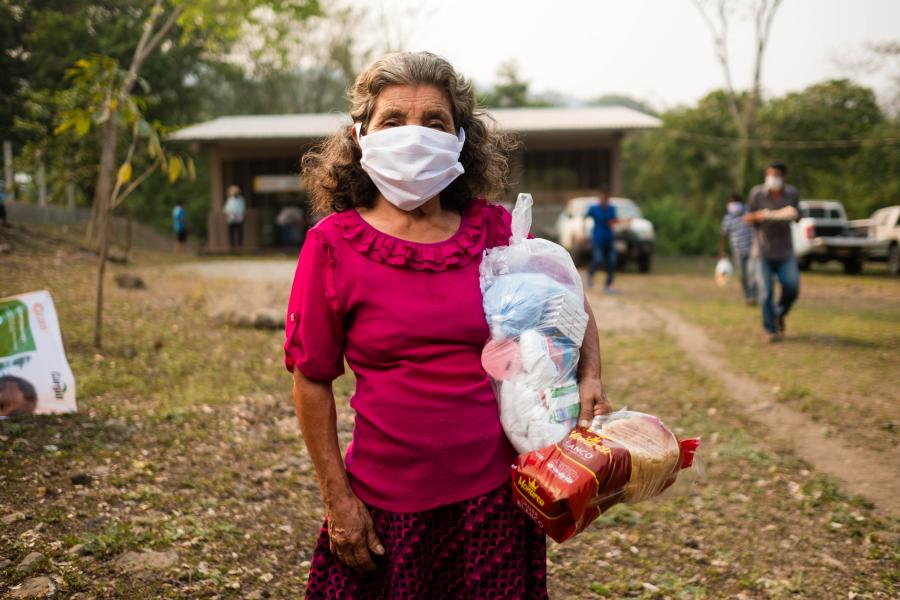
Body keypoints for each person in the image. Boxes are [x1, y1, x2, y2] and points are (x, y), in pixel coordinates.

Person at [287, 51, 612, 598]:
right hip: (382, 502)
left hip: (495, 498)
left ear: (460, 138)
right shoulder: (333, 245)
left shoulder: (495, 230)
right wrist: (338, 500)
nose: (414, 135)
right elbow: (312, 378)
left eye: (434, 121)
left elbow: (567, 304)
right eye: (393, 120)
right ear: (361, 135)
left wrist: (591, 376)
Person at [745, 160, 800, 342]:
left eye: (776, 175)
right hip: (762, 252)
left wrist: (794, 214)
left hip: (785, 252)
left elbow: (799, 216)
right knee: (766, 292)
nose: (772, 179)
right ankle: (771, 329)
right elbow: (747, 218)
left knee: (792, 287)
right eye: (769, 175)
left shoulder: (792, 194)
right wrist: (759, 216)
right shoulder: (757, 193)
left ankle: (778, 313)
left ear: (784, 177)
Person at [719, 192, 757, 304]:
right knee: (743, 276)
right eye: (730, 202)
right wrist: (722, 250)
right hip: (738, 251)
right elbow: (724, 235)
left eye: (735, 202)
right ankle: (747, 296)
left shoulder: (749, 212)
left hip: (752, 249)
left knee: (752, 273)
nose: (733, 204)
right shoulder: (728, 218)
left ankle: (754, 296)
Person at [585, 186, 617, 293]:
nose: (605, 199)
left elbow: (613, 222)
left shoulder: (612, 209)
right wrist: (583, 231)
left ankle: (608, 284)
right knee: (598, 259)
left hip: (609, 239)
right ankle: (590, 273)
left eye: (606, 197)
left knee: (611, 261)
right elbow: (585, 217)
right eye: (603, 197)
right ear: (600, 197)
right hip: (597, 239)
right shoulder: (594, 208)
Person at [224, 185, 246, 250]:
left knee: (240, 231)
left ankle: (240, 245)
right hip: (231, 217)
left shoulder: (241, 199)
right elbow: (226, 208)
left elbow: (242, 208)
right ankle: (232, 246)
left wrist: (237, 213)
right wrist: (228, 213)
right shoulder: (229, 200)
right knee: (231, 232)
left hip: (239, 216)